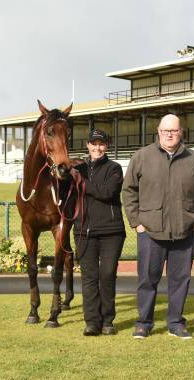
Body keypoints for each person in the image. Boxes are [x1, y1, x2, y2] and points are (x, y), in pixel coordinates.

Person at [123, 114, 194, 340]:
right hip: (150, 231)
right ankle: (143, 323)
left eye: (174, 130)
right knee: (147, 279)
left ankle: (176, 323)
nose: (169, 134)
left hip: (185, 231)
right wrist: (137, 223)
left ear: (181, 132)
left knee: (180, 280)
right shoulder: (142, 157)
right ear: (158, 132)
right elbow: (129, 191)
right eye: (165, 130)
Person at [74, 129, 126, 336]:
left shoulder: (115, 168)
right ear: (87, 145)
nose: (97, 147)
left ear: (106, 146)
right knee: (89, 277)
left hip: (111, 231)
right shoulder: (78, 168)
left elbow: (107, 192)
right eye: (94, 143)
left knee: (106, 275)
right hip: (83, 232)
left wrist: (81, 182)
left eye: (101, 144)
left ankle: (107, 321)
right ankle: (92, 323)